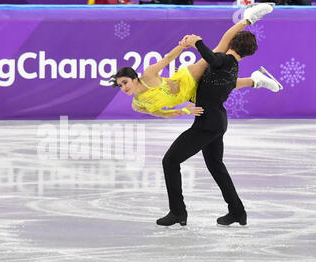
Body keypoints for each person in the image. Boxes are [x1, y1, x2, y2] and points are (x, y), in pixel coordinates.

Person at [157, 28, 279, 227]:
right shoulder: (233, 69)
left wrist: (197, 41)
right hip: (216, 122)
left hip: (207, 125)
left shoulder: (224, 61)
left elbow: (213, 58)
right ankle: (237, 211)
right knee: (216, 166)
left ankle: (178, 212)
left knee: (170, 161)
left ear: (231, 44)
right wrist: (254, 81)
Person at [110, 3, 281, 120]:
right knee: (225, 84)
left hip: (187, 78)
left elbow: (168, 58)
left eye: (124, 82)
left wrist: (182, 46)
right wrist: (183, 111)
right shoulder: (137, 106)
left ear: (134, 78)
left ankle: (248, 18)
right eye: (120, 86)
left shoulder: (148, 75)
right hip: (191, 96)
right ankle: (256, 80)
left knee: (221, 48)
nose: (124, 88)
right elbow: (162, 114)